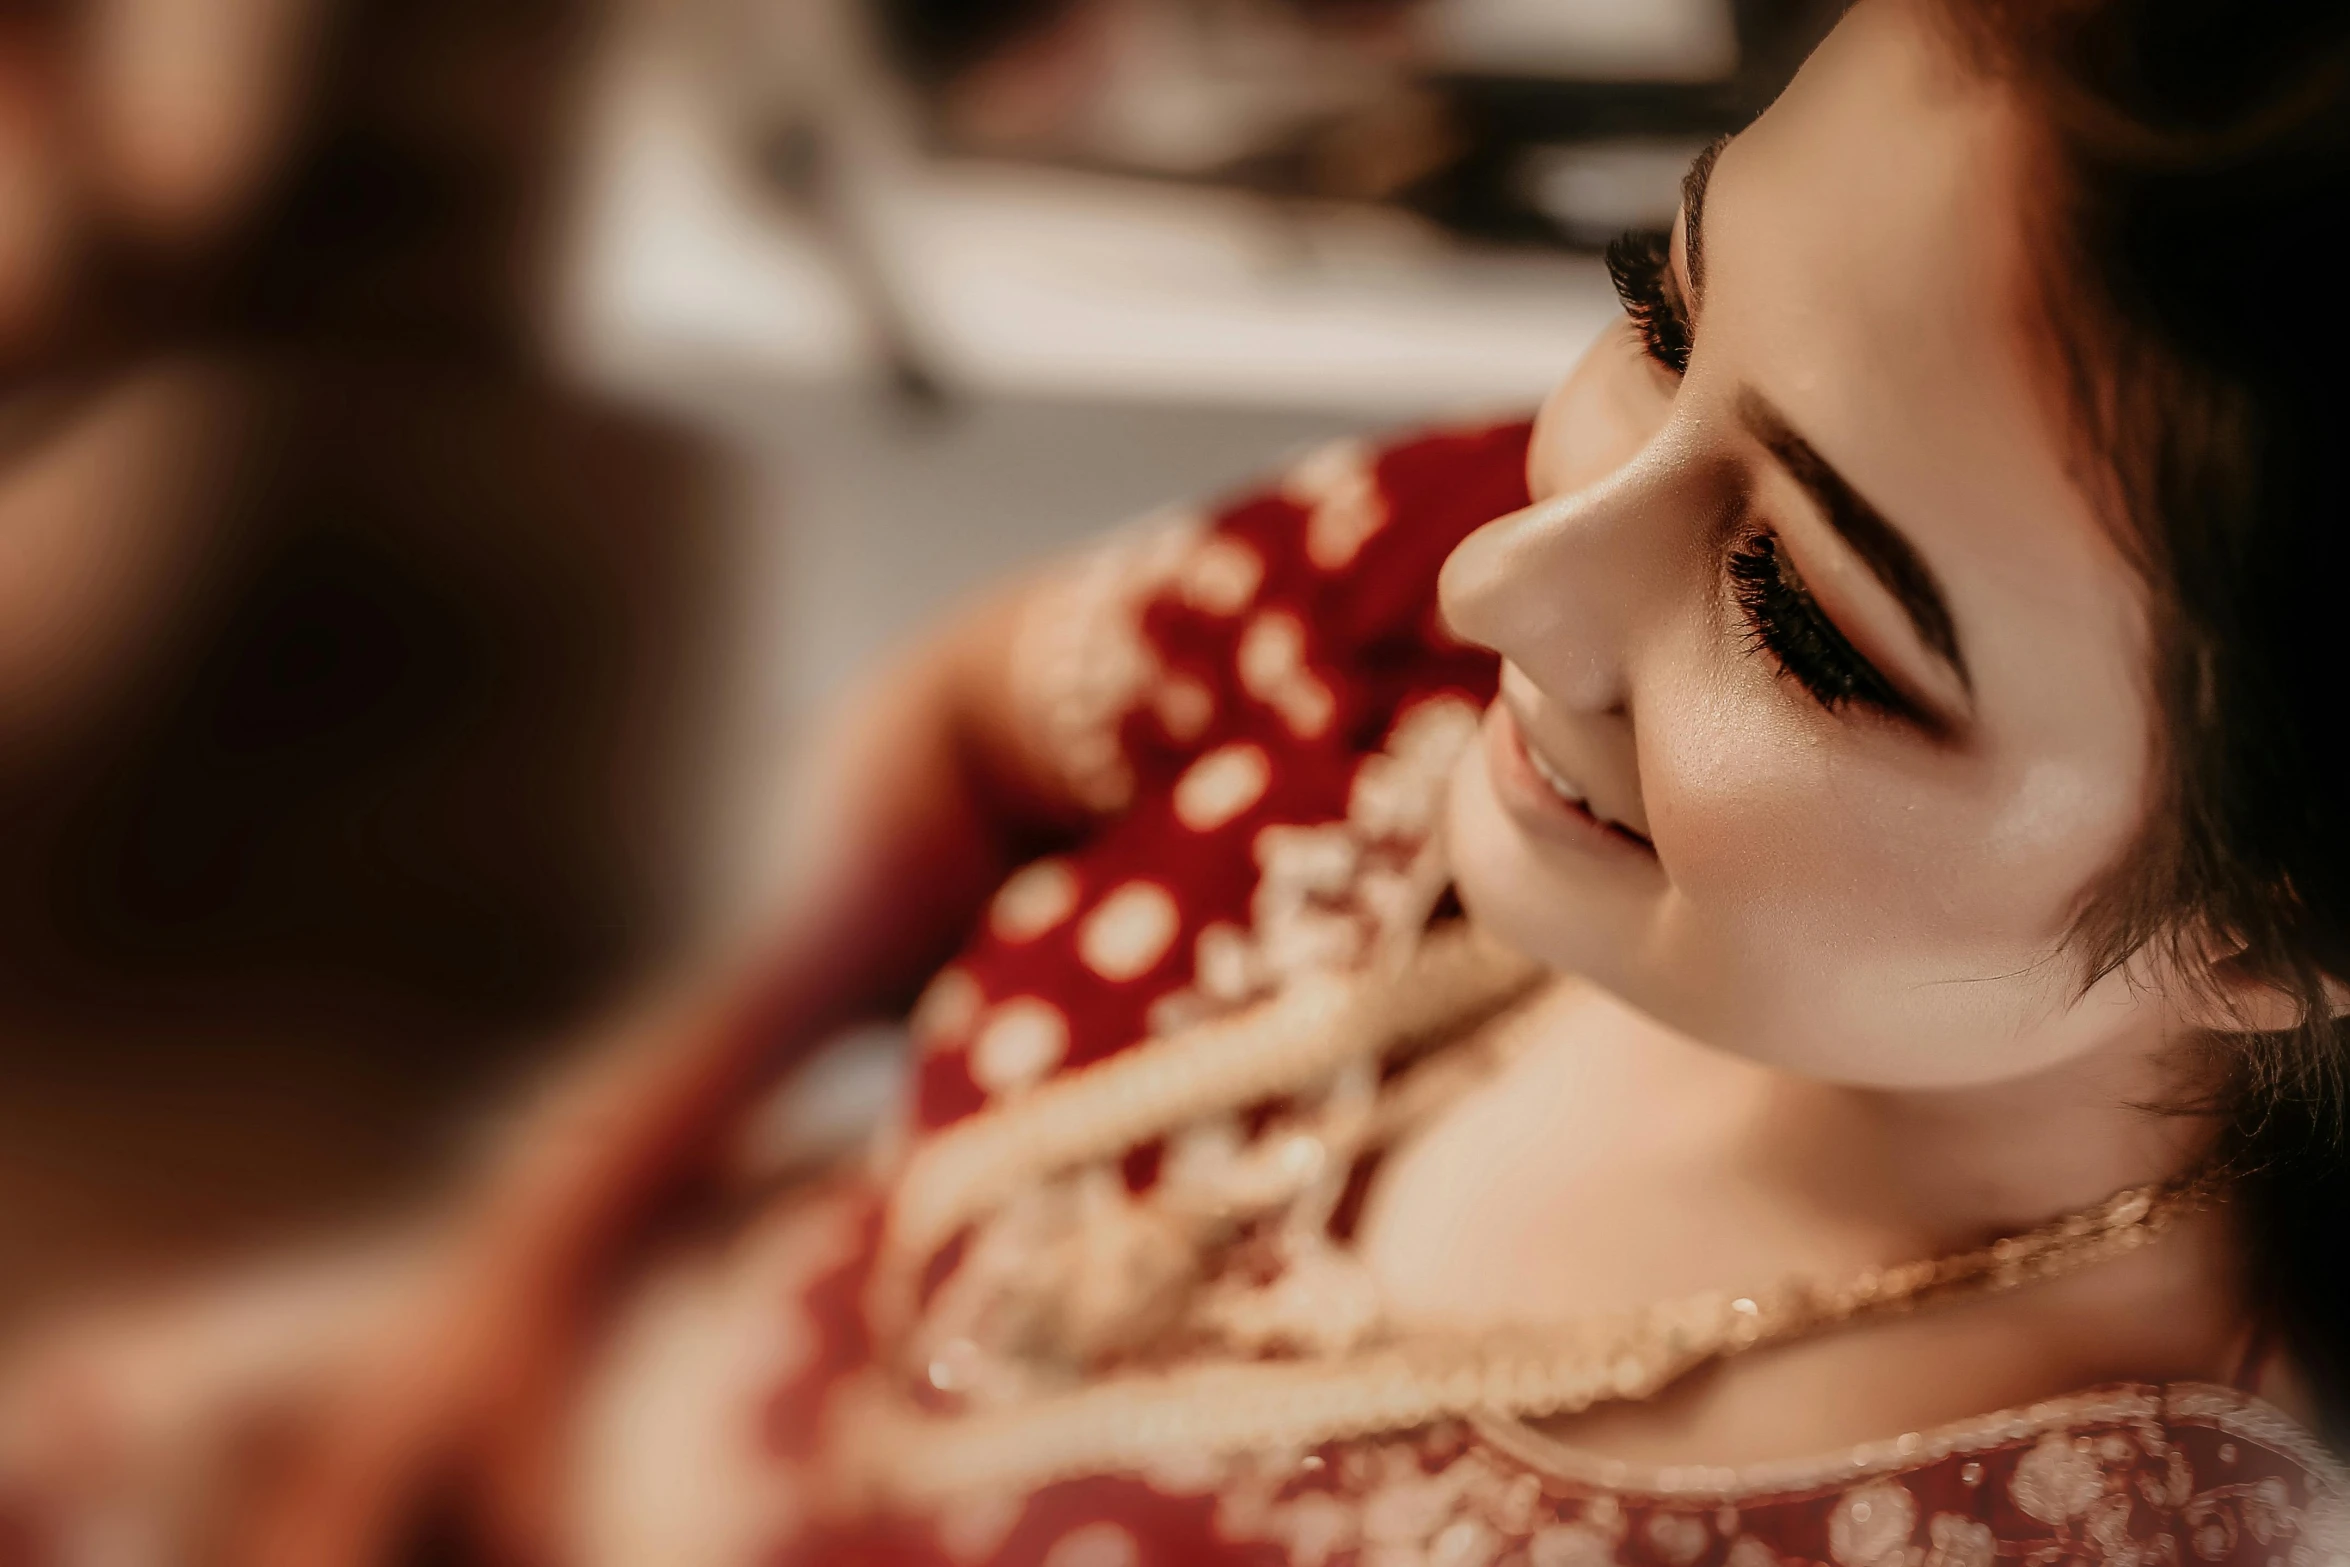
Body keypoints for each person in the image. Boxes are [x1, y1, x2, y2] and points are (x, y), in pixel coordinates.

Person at [11, 0, 2350, 1562]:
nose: (1504, 586)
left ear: (2274, 927)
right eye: (1655, 313)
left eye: (1812, 625)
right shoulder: (1490, 546)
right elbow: (961, 739)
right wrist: (517, 1284)